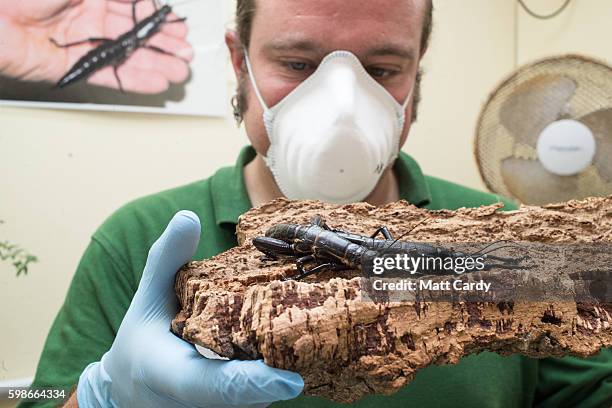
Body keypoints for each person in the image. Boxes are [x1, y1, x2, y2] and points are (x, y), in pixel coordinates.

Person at [13, 0, 612, 407]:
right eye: (297, 64)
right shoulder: (139, 239)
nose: (343, 104)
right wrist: (106, 396)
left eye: (382, 69)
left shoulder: (513, 244)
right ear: (238, 62)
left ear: (416, 76)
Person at [0, 0, 192, 93]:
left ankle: (62, 47)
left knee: (97, 48)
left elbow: (136, 7)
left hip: (112, 48)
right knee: (94, 45)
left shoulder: (146, 28)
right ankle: (62, 46)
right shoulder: (148, 30)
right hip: (113, 49)